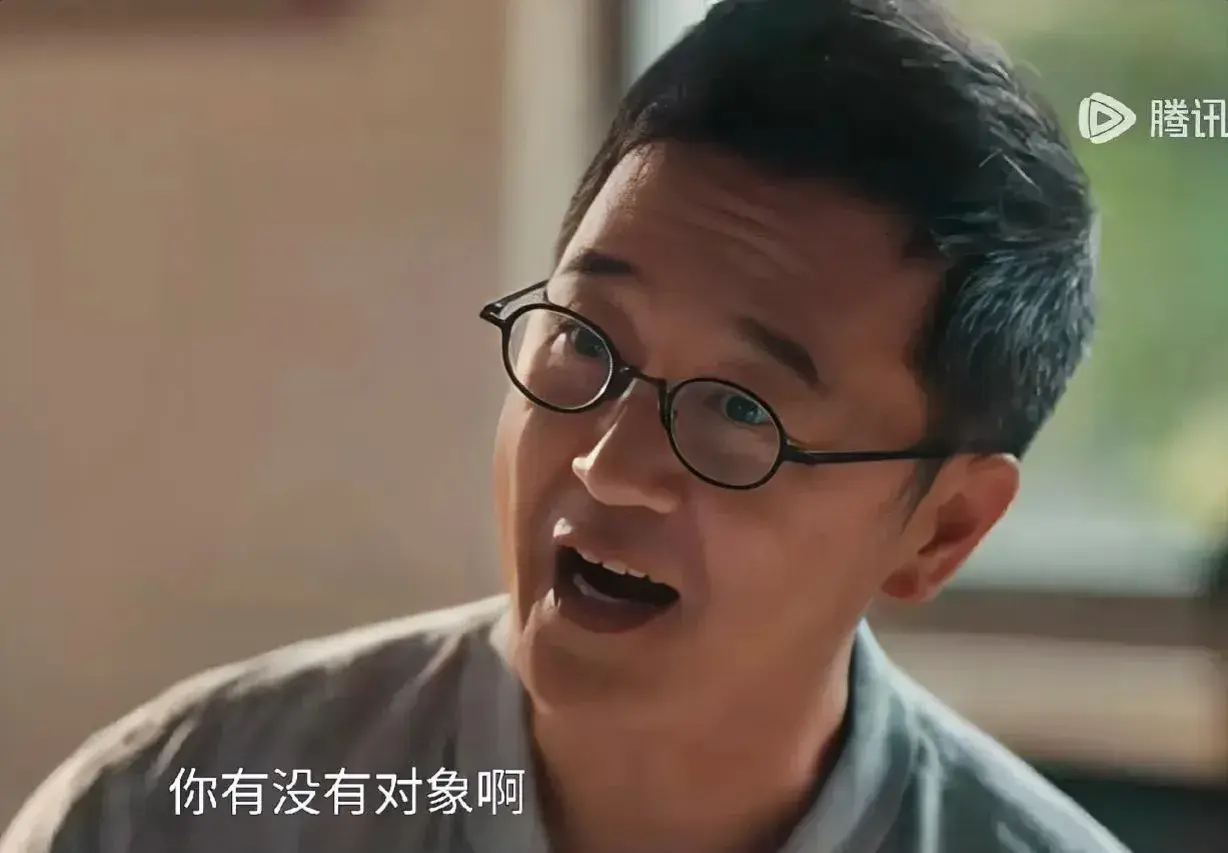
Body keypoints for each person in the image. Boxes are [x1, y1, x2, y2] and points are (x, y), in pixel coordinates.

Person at [1, 0, 1130, 851]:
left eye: (741, 410)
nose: (609, 461)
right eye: (586, 342)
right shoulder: (178, 808)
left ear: (942, 527)